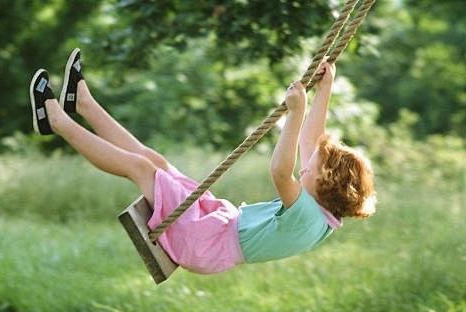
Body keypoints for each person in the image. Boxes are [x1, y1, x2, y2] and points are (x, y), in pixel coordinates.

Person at [29, 48, 376, 275]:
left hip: (204, 242)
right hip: (216, 224)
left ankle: (55, 121)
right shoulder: (320, 212)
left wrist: (295, 112)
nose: (307, 162)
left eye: (312, 166)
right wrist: (325, 87)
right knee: (155, 162)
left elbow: (279, 170)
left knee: (141, 170)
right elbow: (311, 141)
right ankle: (82, 103)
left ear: (325, 182)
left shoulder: (307, 216)